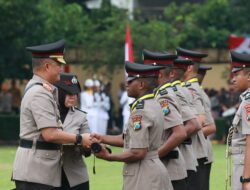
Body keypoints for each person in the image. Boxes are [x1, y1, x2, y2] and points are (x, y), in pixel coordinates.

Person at [12, 39, 92, 190]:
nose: (61, 69)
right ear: (47, 66)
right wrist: (80, 138)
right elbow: (50, 134)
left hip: (38, 171)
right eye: (59, 64)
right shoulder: (40, 93)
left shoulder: (42, 90)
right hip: (35, 172)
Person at [92, 61, 173, 190]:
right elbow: (128, 140)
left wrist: (109, 157)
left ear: (141, 84)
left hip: (144, 174)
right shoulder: (152, 103)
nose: (126, 84)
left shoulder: (141, 111)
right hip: (151, 170)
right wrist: (101, 138)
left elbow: (137, 152)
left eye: (130, 81)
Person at [143, 49, 188, 190]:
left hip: (170, 170)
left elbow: (180, 133)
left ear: (159, 74)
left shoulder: (163, 97)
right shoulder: (161, 94)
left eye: (148, 72)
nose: (145, 76)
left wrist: (154, 157)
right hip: (167, 169)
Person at [176, 47, 209, 190]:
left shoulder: (191, 89)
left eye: (178, 65)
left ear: (188, 67)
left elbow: (201, 121)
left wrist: (175, 135)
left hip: (194, 152)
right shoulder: (190, 88)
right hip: (194, 152)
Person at [54, 73, 90, 190]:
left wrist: (88, 146)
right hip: (49, 176)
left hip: (76, 177)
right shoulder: (47, 112)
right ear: (59, 92)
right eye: (68, 93)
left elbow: (87, 147)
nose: (73, 97)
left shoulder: (81, 116)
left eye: (75, 94)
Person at [170, 57, 202, 190]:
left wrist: (167, 142)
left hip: (179, 157)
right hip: (182, 156)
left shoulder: (176, 91)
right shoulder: (180, 89)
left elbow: (197, 123)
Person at [227, 51, 250, 190]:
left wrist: (246, 178)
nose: (233, 79)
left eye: (237, 74)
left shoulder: (248, 102)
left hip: (244, 166)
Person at [197, 65, 216, 190]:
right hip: (197, 152)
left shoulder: (198, 94)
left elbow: (210, 128)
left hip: (200, 153)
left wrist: (181, 136)